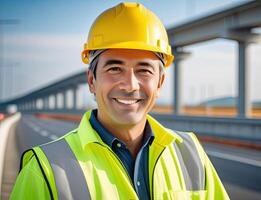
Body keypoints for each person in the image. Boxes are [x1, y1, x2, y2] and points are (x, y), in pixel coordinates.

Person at [10, 2, 229, 200]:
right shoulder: (43, 169)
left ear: (160, 83)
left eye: (144, 70)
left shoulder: (190, 153)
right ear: (91, 81)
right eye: (115, 69)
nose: (130, 85)